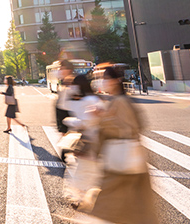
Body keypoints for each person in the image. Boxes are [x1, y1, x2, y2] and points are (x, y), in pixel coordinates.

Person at [89, 66, 158, 223]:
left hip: (122, 162)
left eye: (105, 79)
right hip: (123, 162)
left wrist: (102, 118)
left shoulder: (120, 101)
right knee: (133, 207)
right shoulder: (116, 100)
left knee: (107, 207)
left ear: (115, 81)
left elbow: (127, 128)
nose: (102, 82)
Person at [61, 75, 102, 208]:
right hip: (91, 140)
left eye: (73, 85)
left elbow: (86, 122)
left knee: (84, 170)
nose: (71, 87)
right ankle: (84, 196)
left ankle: (80, 198)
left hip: (90, 140)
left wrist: (69, 121)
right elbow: (64, 104)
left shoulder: (89, 100)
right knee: (88, 170)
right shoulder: (89, 98)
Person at [55, 60, 75, 133]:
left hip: (70, 116)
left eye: (62, 68)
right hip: (61, 115)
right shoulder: (62, 82)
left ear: (69, 70)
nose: (59, 70)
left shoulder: (74, 83)